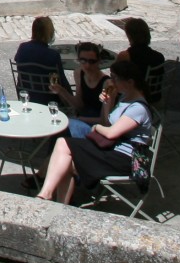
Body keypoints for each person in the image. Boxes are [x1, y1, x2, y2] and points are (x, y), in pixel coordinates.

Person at [36, 59, 153, 204]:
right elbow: (106, 122)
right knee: (65, 161)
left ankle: (45, 195)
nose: (112, 81)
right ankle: (56, 205)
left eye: (115, 78)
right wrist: (107, 102)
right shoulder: (124, 98)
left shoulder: (138, 108)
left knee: (63, 144)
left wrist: (96, 128)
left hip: (125, 158)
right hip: (111, 149)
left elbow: (110, 133)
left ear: (130, 82)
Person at [14, 17, 67, 106]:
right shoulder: (53, 54)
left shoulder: (22, 48)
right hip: (49, 99)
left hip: (27, 95)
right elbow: (62, 82)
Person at [116, 18, 167, 110]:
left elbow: (115, 77)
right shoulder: (159, 56)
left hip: (136, 99)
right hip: (156, 98)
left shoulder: (125, 56)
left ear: (129, 36)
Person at [55, 41, 108, 121]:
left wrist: (77, 119)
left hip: (97, 125)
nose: (87, 65)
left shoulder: (107, 84)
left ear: (99, 61)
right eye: (83, 61)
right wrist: (61, 91)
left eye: (92, 61)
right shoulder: (79, 73)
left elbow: (105, 120)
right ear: (78, 60)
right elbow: (79, 106)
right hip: (83, 117)